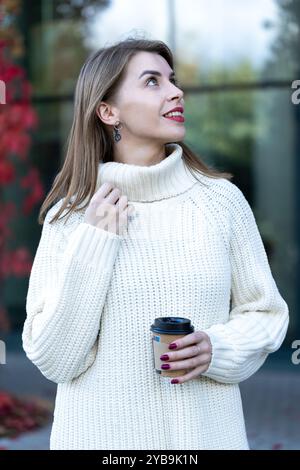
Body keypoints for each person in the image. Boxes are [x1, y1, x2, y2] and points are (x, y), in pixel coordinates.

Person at [22, 37, 289, 450]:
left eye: (173, 80)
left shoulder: (220, 202)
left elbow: (265, 312)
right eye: (152, 82)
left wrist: (217, 348)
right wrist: (94, 241)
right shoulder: (70, 218)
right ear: (108, 111)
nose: (175, 91)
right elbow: (56, 359)